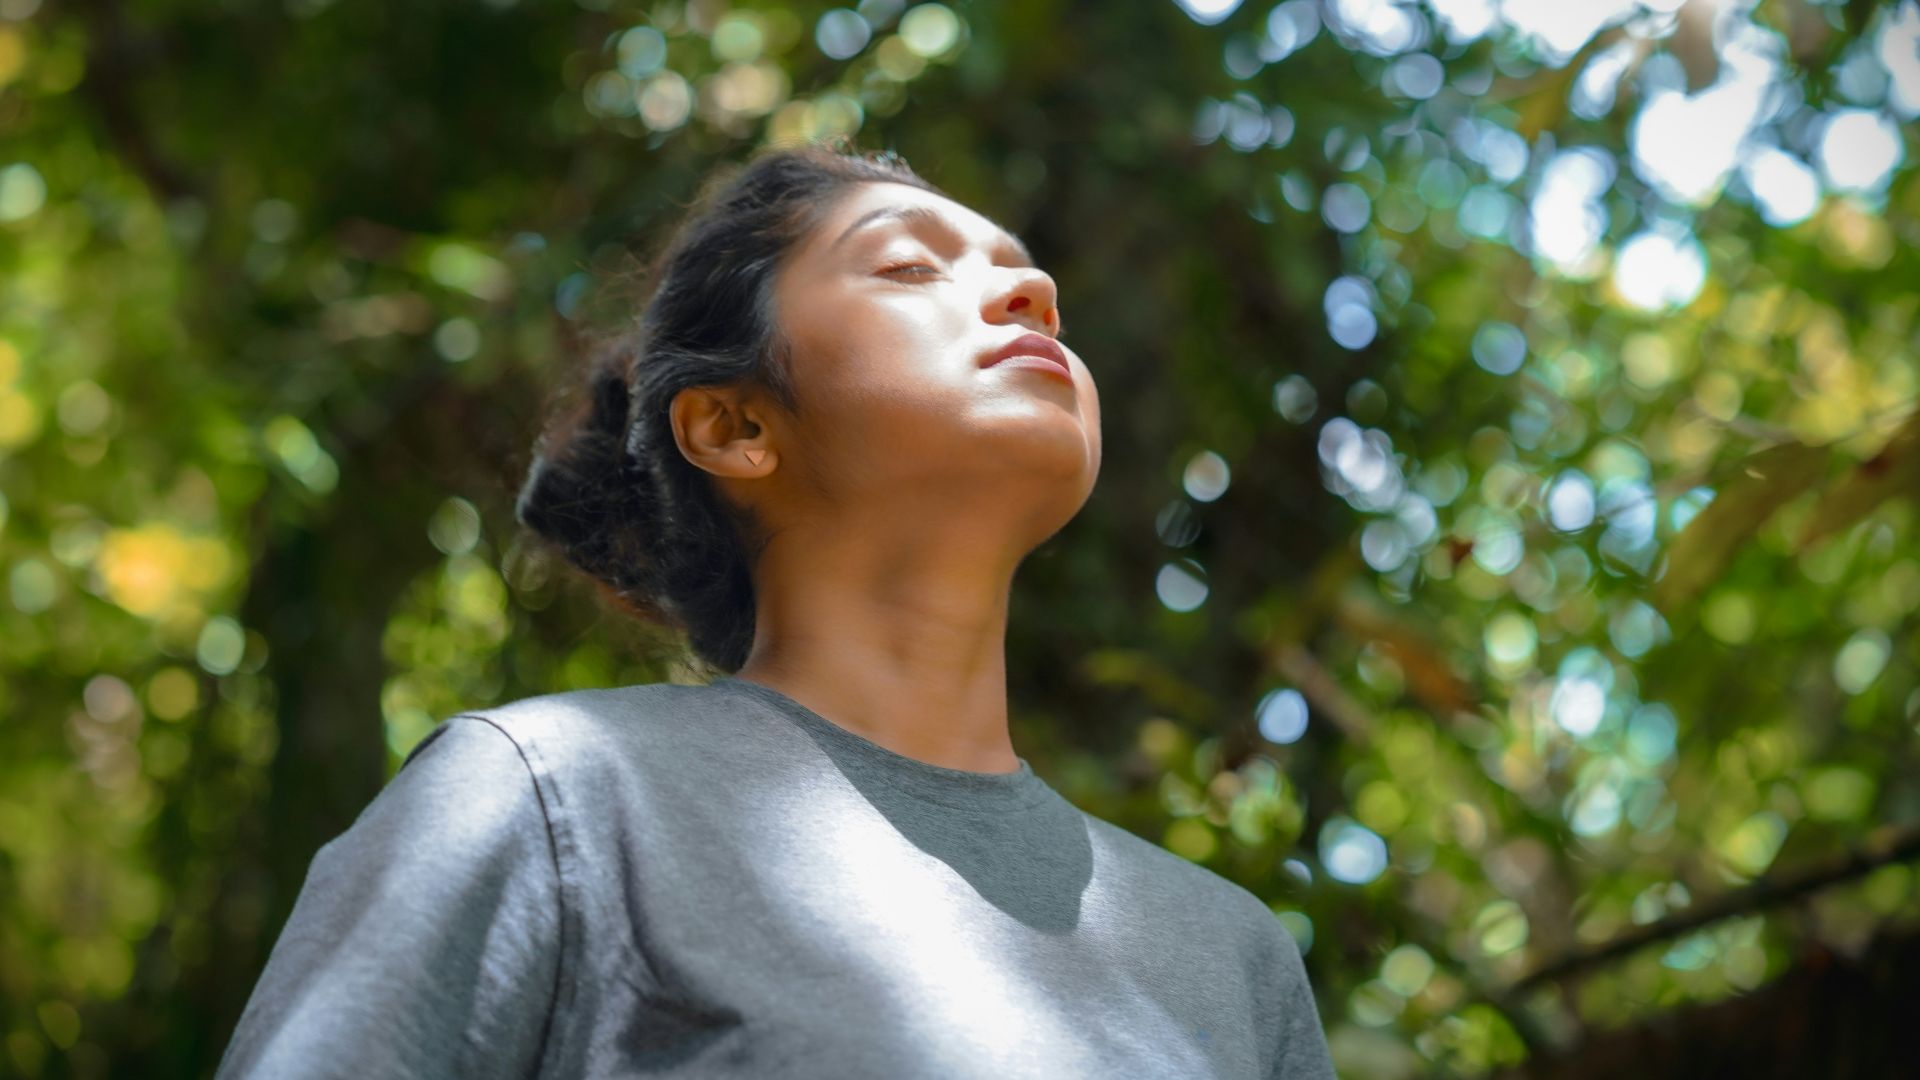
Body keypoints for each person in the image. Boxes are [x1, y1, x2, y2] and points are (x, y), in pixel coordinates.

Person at [215, 139, 1338, 1080]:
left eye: (1028, 275)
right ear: (737, 428)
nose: (1031, 293)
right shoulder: (551, 803)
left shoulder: (1231, 959)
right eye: (908, 268)